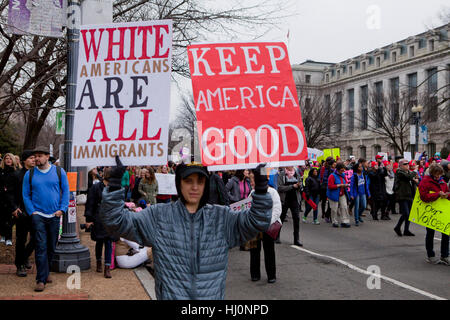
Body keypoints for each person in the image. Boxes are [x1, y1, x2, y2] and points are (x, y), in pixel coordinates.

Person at [99, 158, 272, 300]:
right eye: (188, 181)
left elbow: (257, 222)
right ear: (179, 184)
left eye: (200, 181)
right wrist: (114, 185)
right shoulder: (158, 216)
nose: (195, 187)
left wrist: (262, 189)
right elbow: (116, 222)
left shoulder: (222, 218)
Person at [22, 146, 70, 292]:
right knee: (41, 247)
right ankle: (41, 279)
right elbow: (25, 195)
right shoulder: (29, 174)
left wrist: (62, 209)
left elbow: (66, 190)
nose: (37, 158)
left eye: (40, 156)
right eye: (35, 156)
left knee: (51, 246)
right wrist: (32, 212)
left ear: (47, 156)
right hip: (38, 216)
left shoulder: (58, 171)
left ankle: (46, 271)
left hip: (54, 216)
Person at [248, 171, 281, 283]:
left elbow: (277, 210)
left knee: (269, 251)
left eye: (253, 179)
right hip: (254, 227)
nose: (251, 182)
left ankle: (271, 275)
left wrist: (267, 222)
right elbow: (247, 209)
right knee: (254, 251)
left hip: (268, 227)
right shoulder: (252, 193)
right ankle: (255, 274)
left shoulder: (272, 192)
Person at [84, 168, 118, 278]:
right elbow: (90, 203)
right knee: (99, 241)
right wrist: (89, 219)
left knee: (109, 241)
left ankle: (107, 267)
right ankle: (99, 261)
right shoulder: (95, 187)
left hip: (111, 217)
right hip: (98, 217)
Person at [417, 164, 450, 265]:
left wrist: (447, 195)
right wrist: (437, 194)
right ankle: (430, 255)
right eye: (436, 175)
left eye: (439, 175)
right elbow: (424, 197)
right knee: (430, 233)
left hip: (441, 212)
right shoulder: (425, 182)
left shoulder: (442, 181)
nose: (438, 177)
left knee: (446, 233)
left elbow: (447, 192)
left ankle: (444, 255)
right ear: (432, 173)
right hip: (430, 213)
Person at [12, 151, 36, 277]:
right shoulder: (16, 175)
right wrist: (14, 208)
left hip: (35, 211)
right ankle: (19, 265)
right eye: (31, 158)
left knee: (36, 238)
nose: (34, 160)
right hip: (21, 211)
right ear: (24, 160)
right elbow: (10, 194)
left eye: (34, 158)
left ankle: (24, 256)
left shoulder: (37, 174)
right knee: (21, 239)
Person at [278, 166, 303, 246]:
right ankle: (277, 236)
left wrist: (299, 185)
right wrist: (292, 186)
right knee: (281, 218)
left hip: (295, 200)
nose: (291, 166)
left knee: (296, 218)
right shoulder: (282, 174)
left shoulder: (296, 173)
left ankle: (296, 239)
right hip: (285, 199)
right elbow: (280, 188)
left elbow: (301, 186)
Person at [393, 159, 418, 237]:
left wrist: (415, 180)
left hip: (410, 195)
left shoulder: (409, 172)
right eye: (405, 164)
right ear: (400, 166)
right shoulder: (399, 172)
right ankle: (397, 227)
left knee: (409, 214)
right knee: (406, 213)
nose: (407, 165)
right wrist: (415, 171)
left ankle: (406, 230)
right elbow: (407, 177)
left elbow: (411, 179)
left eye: (408, 164)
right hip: (402, 195)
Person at [0, 153, 20, 246]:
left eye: (10, 159)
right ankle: (3, 235)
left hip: (12, 198)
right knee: (2, 218)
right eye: (6, 158)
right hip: (1, 197)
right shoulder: (1, 171)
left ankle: (9, 238)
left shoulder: (16, 172)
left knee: (9, 219)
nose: (8, 160)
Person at [327, 162, 351, 228]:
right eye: (341, 170)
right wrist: (339, 185)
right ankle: (334, 221)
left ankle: (345, 221)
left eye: (343, 170)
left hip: (342, 193)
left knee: (344, 207)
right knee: (334, 209)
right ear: (337, 169)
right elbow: (330, 186)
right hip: (333, 194)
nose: (343, 171)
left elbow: (346, 182)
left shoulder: (343, 175)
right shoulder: (332, 176)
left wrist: (346, 185)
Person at [350, 162, 371, 226]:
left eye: (361, 167)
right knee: (357, 207)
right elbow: (351, 186)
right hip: (356, 194)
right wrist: (351, 194)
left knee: (364, 206)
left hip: (363, 193)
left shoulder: (363, 175)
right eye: (359, 167)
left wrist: (368, 193)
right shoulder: (354, 176)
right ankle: (356, 219)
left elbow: (366, 185)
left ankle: (359, 215)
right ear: (357, 168)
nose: (361, 168)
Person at [319, 158, 335, 222]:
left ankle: (327, 214)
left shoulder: (332, 169)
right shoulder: (325, 168)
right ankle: (324, 213)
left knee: (329, 202)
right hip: (325, 186)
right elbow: (322, 177)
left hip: (327, 186)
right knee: (324, 200)